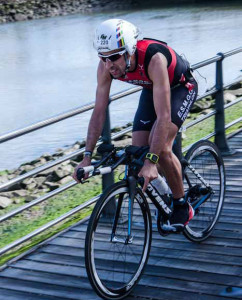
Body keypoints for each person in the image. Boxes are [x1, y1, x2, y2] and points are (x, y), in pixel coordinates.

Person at [73, 19, 198, 232]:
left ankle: (180, 204)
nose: (109, 64)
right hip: (151, 89)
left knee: (160, 149)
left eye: (114, 57)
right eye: (102, 58)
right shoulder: (106, 66)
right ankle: (166, 192)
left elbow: (164, 116)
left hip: (180, 87)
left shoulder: (154, 59)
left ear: (129, 50)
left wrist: (153, 159)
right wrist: (86, 156)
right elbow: (99, 111)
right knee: (139, 152)